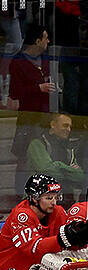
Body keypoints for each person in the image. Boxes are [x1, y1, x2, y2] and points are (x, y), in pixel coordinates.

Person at [0, 175, 88, 270]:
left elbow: (68, 243)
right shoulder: (21, 216)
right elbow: (35, 249)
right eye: (49, 198)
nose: (54, 202)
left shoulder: (57, 212)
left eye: (56, 197)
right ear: (34, 199)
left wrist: (80, 238)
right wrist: (65, 238)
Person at [8, 24, 52, 193]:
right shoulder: (18, 62)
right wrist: (38, 88)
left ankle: (45, 193)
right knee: (24, 156)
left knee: (45, 156)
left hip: (46, 116)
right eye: (45, 37)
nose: (48, 41)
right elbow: (14, 92)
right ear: (37, 40)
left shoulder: (46, 59)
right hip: (28, 117)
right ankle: (21, 193)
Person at [26, 113, 86, 193]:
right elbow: (46, 172)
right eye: (65, 125)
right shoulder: (38, 144)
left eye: (70, 127)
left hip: (65, 197)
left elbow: (80, 176)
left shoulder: (69, 149)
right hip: (41, 197)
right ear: (53, 124)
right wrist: (69, 171)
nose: (69, 129)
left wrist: (58, 165)